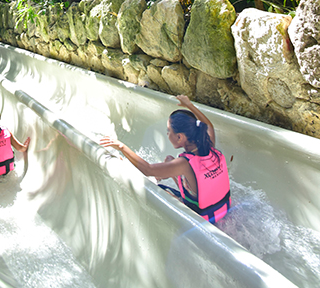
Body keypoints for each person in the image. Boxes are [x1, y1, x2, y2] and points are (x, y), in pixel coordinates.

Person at [99, 95, 231, 223]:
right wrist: (189, 105)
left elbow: (148, 169)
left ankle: (159, 178)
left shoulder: (184, 163)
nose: (167, 134)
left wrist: (121, 146)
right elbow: (208, 124)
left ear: (179, 137)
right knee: (168, 160)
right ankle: (161, 175)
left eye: (168, 131)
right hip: (222, 209)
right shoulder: (209, 146)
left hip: (202, 219)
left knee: (161, 190)